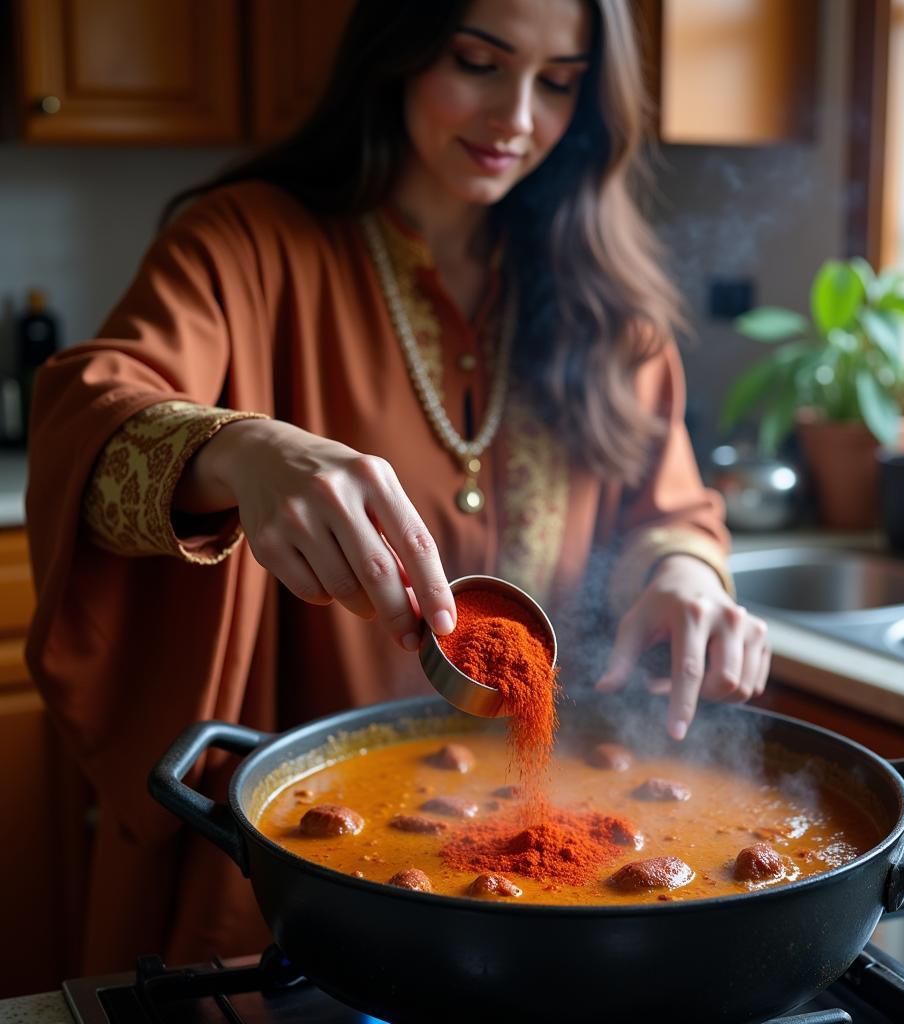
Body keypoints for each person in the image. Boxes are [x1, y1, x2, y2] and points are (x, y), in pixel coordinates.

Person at [26, 0, 770, 974]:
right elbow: (82, 411)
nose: (514, 118)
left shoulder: (607, 307)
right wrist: (240, 452)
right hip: (279, 880)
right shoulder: (245, 244)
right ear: (398, 51)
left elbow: (664, 507)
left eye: (557, 81)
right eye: (476, 61)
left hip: (555, 905)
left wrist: (687, 576)